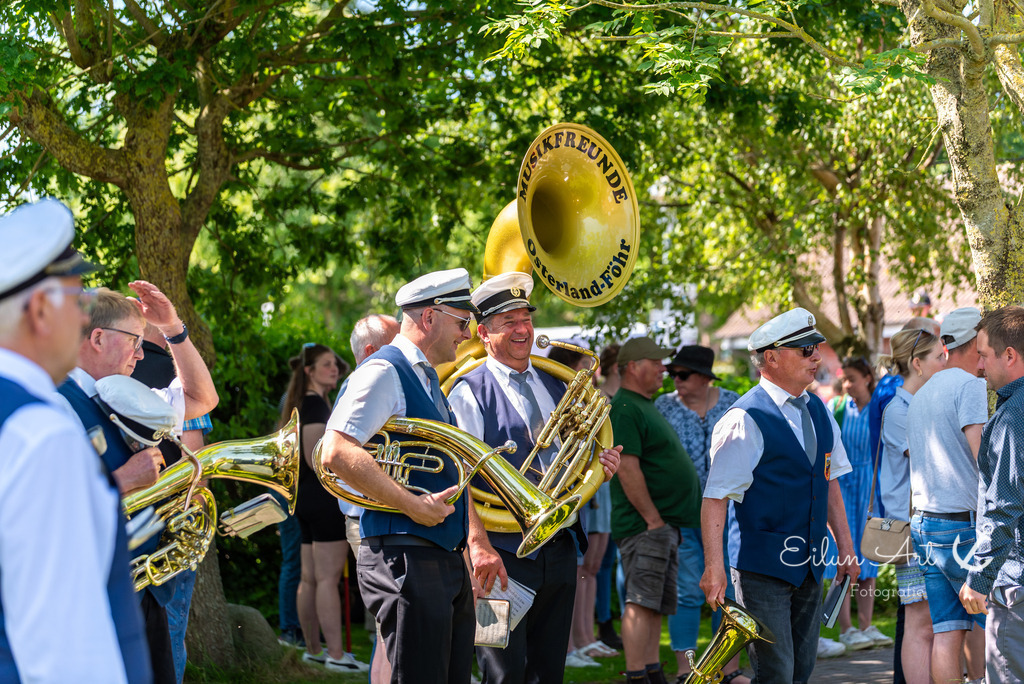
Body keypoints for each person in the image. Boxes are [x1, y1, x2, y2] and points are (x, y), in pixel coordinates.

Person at [0, 199, 152, 683]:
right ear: (42, 310)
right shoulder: (38, 432)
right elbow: (66, 643)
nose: (85, 318)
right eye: (77, 299)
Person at [446, 273, 622, 682]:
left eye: (526, 318)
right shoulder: (467, 391)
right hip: (499, 554)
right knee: (499, 669)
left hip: (558, 549)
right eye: (509, 322)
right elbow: (458, 477)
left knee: (549, 671)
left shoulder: (554, 382)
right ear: (483, 332)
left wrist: (600, 463)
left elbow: (572, 453)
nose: (523, 329)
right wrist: (478, 546)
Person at [319, 268, 479, 684]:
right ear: (429, 318)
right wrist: (411, 504)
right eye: (462, 322)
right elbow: (336, 450)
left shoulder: (427, 380)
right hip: (403, 553)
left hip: (435, 553)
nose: (467, 333)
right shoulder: (383, 371)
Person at [59, 282, 218, 684]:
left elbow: (202, 398)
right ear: (97, 337)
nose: (140, 352)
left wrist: (173, 328)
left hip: (142, 593)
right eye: (133, 339)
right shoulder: (52, 402)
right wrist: (122, 480)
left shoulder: (123, 395)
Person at [701, 307, 859, 684]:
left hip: (809, 565)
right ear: (770, 358)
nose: (817, 356)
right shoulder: (744, 418)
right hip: (760, 571)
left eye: (816, 348)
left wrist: (847, 548)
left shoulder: (818, 408)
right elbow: (715, 498)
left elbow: (829, 480)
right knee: (776, 674)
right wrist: (714, 567)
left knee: (801, 671)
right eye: (806, 350)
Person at [609, 336, 702, 684]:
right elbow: (626, 467)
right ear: (633, 366)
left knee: (654, 604)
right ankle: (637, 676)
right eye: (657, 362)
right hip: (645, 525)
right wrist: (652, 520)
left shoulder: (641, 405)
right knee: (640, 600)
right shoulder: (625, 408)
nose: (665, 369)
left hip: (660, 525)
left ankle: (651, 671)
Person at [654, 345, 747, 684]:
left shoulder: (733, 404)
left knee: (730, 592)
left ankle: (728, 668)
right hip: (683, 514)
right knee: (688, 591)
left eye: (683, 374)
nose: (675, 380)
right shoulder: (663, 407)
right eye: (672, 374)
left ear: (705, 378)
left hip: (732, 515)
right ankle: (685, 671)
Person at [906, 306, 987, 684]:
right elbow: (985, 461)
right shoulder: (969, 386)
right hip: (961, 526)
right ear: (978, 340)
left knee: (947, 631)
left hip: (924, 524)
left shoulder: (923, 392)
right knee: (998, 622)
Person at [280, 343, 367, 673]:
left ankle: (315, 649)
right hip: (322, 499)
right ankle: (335, 654)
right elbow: (317, 459)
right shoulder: (314, 405)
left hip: (304, 500)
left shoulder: (305, 403)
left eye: (336, 364)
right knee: (326, 580)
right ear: (309, 371)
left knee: (312, 578)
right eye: (327, 365)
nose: (335, 369)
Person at [959, 306, 1024, 683]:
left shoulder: (1014, 415)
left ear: (1010, 356)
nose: (979, 367)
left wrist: (979, 578)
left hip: (1016, 585)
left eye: (983, 355)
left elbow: (1005, 506)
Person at [878, 327, 947, 684]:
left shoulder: (918, 406)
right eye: (939, 357)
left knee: (933, 624)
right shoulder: (898, 411)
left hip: (928, 526)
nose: (945, 362)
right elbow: (933, 461)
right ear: (917, 364)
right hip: (913, 530)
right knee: (920, 623)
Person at [345, 313, 400, 684]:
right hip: (369, 519)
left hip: (375, 517)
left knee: (392, 625)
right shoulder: (366, 385)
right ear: (370, 351)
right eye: (396, 344)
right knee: (390, 625)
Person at [828, 357, 890, 651]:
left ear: (868, 377)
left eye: (853, 378)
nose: (848, 384)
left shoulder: (881, 408)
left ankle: (866, 626)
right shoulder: (836, 408)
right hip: (842, 490)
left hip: (870, 491)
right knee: (842, 558)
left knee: (869, 558)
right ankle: (846, 629)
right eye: (845, 378)